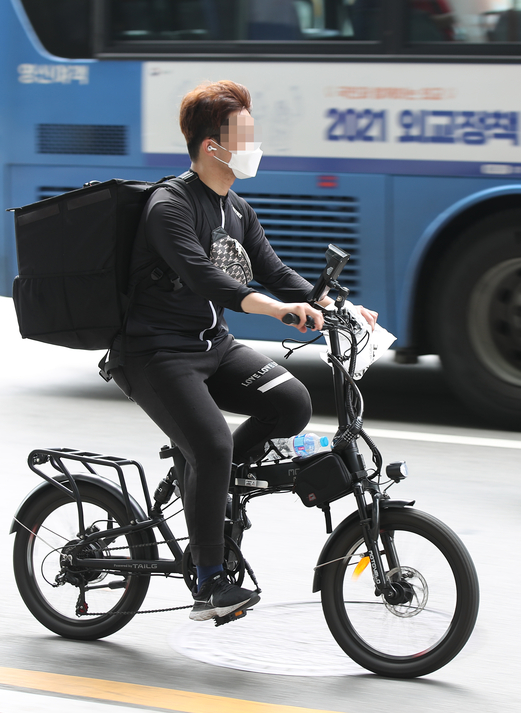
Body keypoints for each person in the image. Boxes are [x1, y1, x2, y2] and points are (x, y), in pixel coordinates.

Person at [110, 80, 377, 623]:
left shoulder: (237, 210)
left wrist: (346, 309)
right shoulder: (169, 206)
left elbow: (275, 271)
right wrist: (275, 311)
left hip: (212, 346)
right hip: (156, 354)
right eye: (246, 135)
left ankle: (211, 478)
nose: (255, 145)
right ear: (213, 146)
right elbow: (208, 278)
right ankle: (209, 582)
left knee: (292, 404)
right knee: (210, 445)